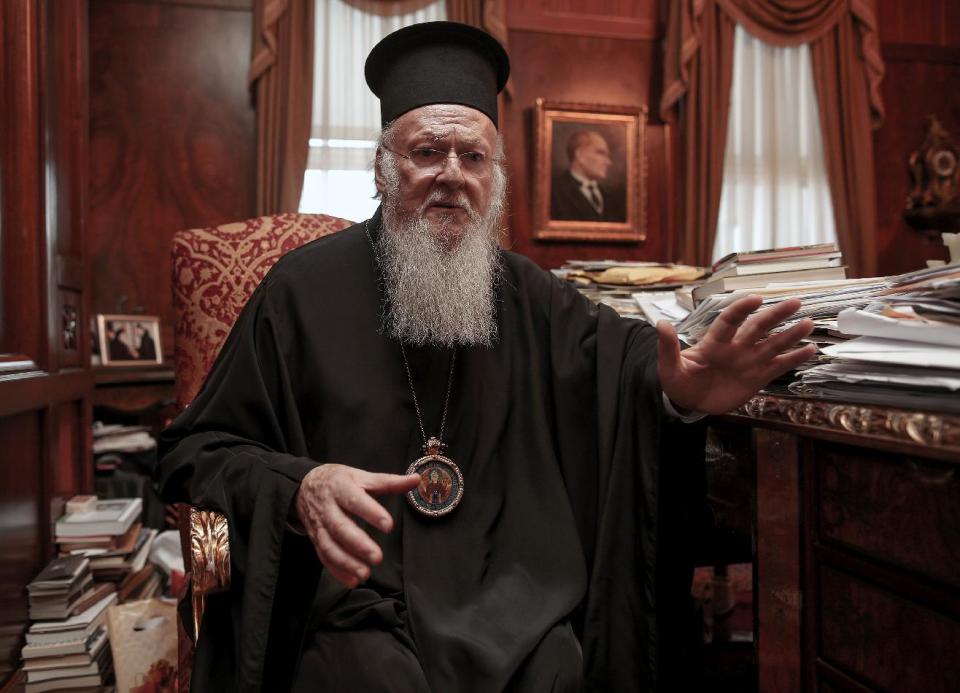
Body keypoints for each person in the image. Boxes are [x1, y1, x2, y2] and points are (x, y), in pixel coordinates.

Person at [157, 21, 816, 693]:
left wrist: (682, 392)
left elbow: (627, 371)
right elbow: (193, 452)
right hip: (355, 604)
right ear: (381, 170)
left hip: (515, 602)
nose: (452, 175)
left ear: (494, 178)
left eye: (473, 157)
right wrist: (303, 487)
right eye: (427, 151)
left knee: (557, 670)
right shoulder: (299, 292)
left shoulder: (531, 296)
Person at [550, 130, 627, 222]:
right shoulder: (553, 191)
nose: (609, 163)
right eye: (601, 153)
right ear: (580, 155)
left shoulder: (612, 197)